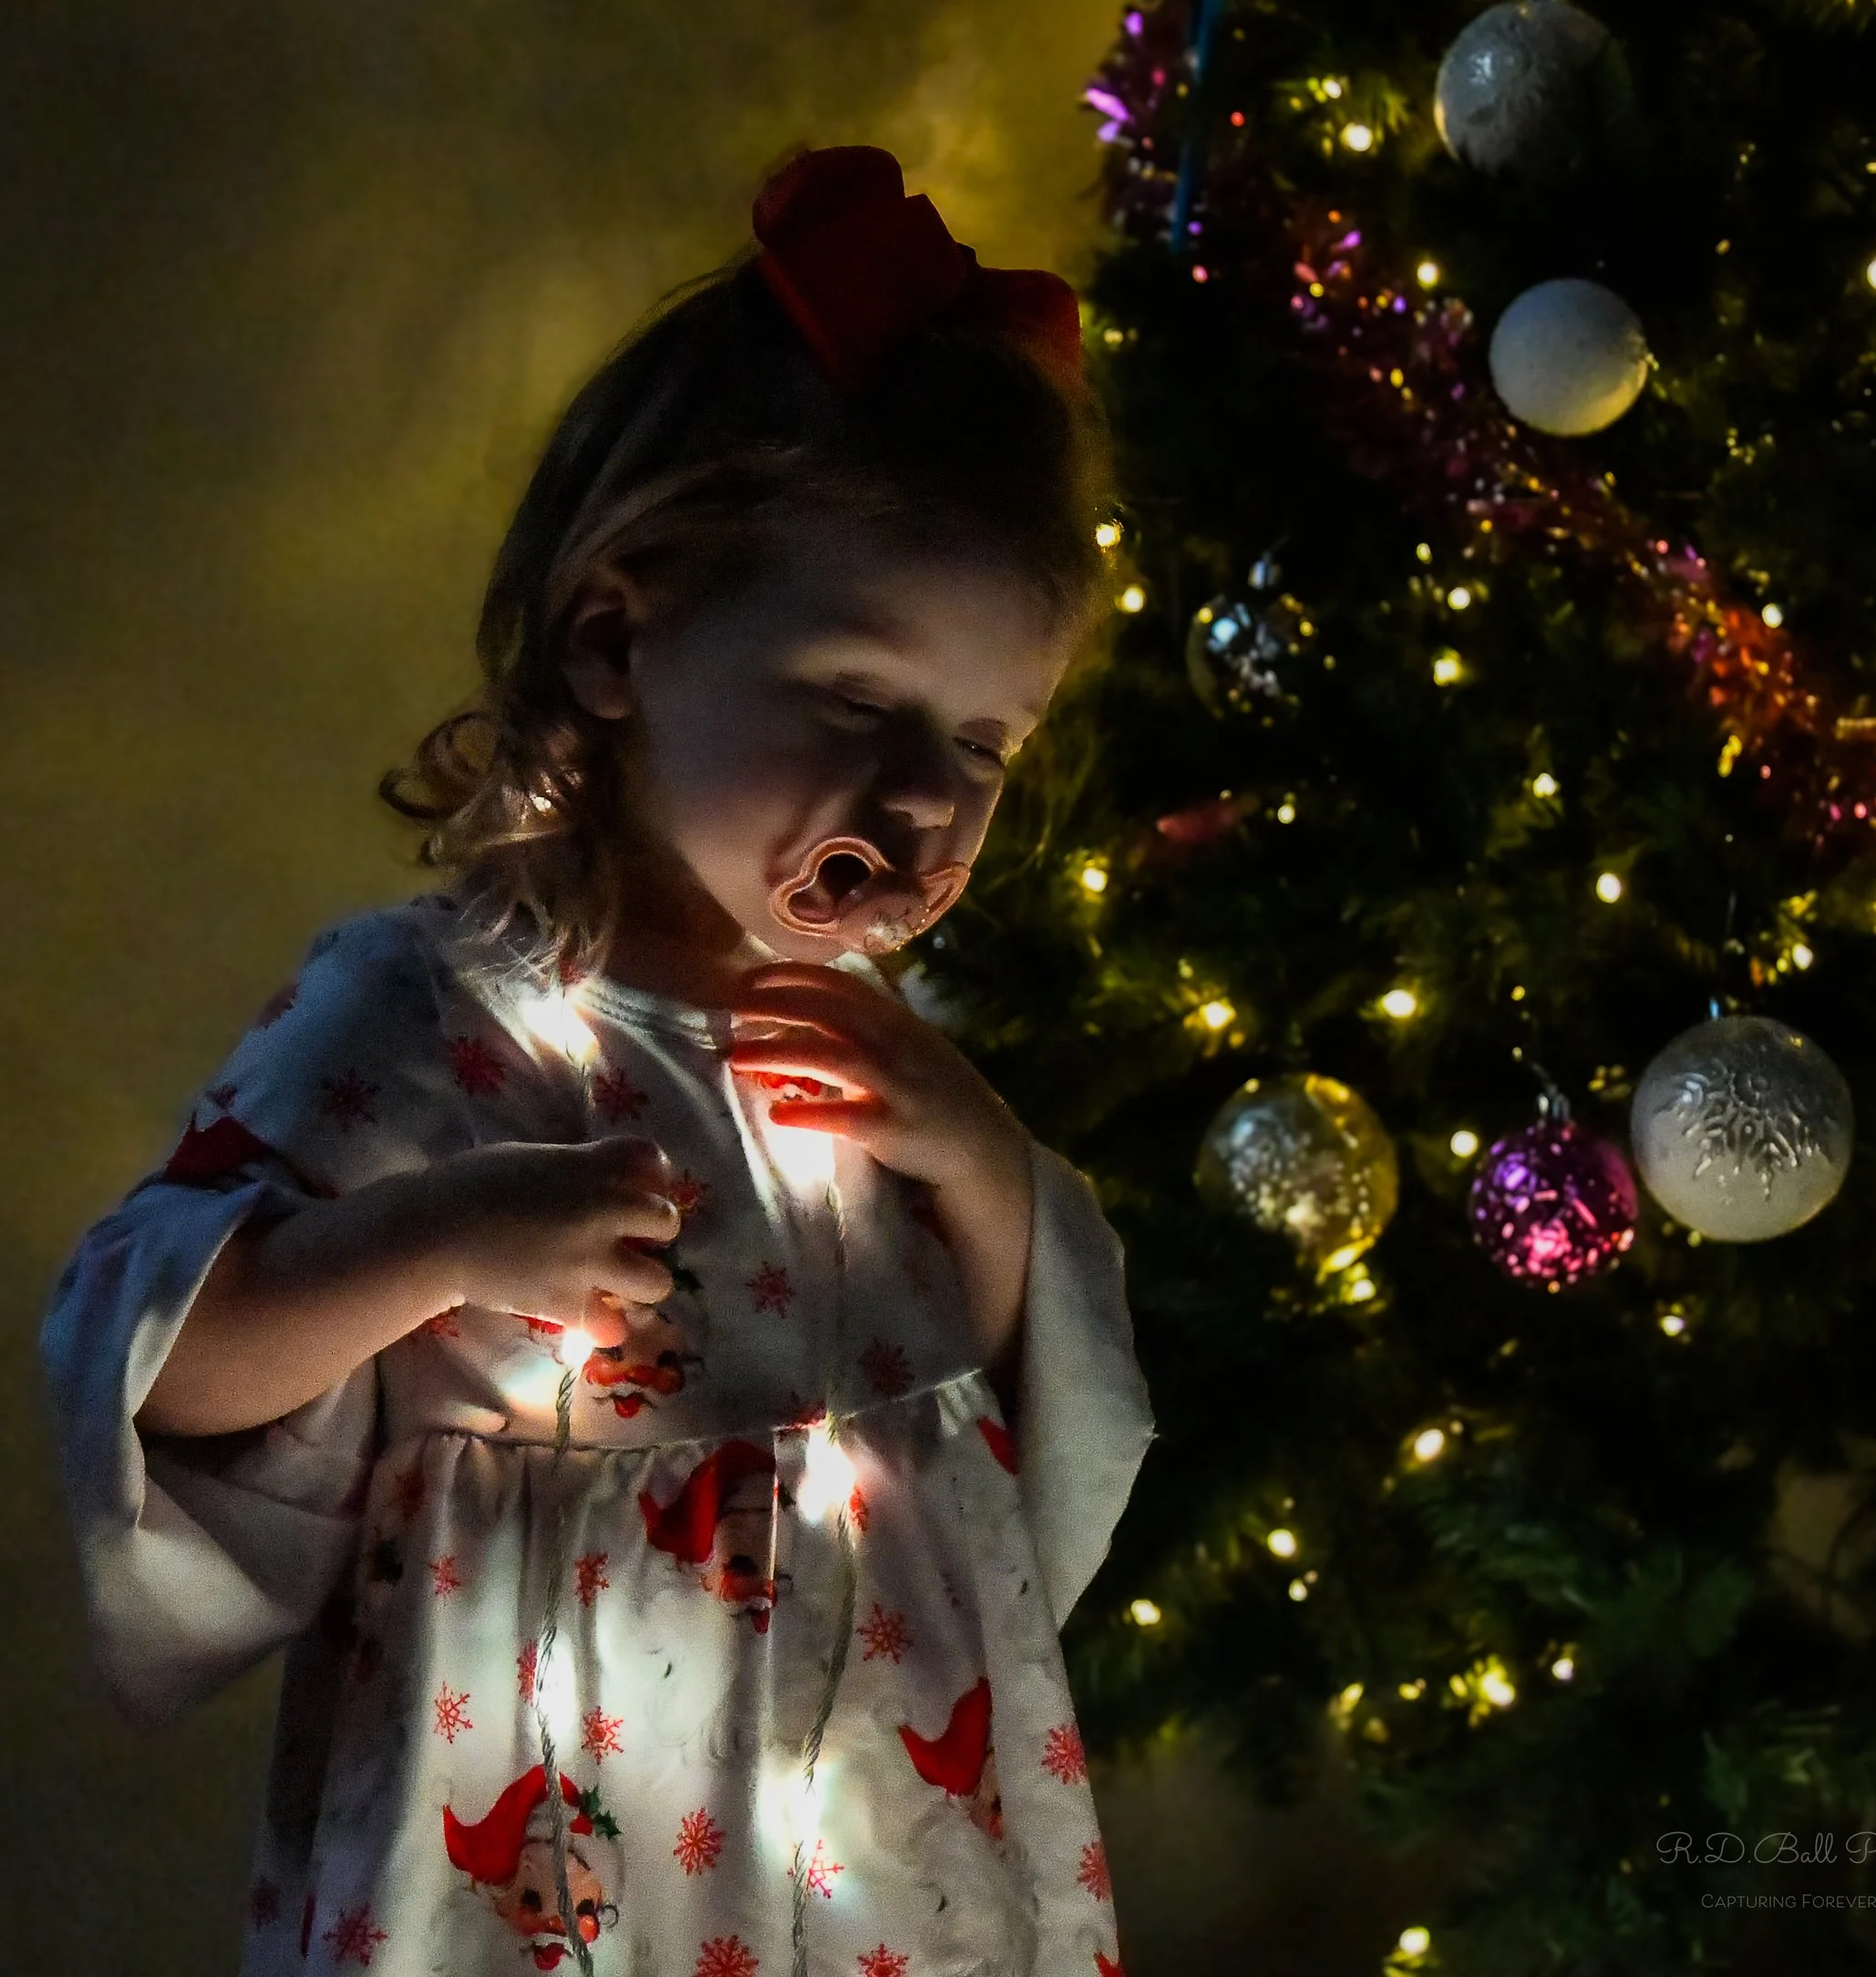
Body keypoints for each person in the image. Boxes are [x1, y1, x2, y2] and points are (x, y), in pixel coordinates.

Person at [39, 142, 1156, 1977]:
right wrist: (433, 1241)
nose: (928, 799)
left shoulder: (890, 1052)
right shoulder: (425, 1014)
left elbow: (1007, 1413)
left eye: (984, 740)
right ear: (618, 637)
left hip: (873, 1842)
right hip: (538, 1832)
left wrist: (979, 1163)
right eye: (859, 699)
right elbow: (156, 1356)